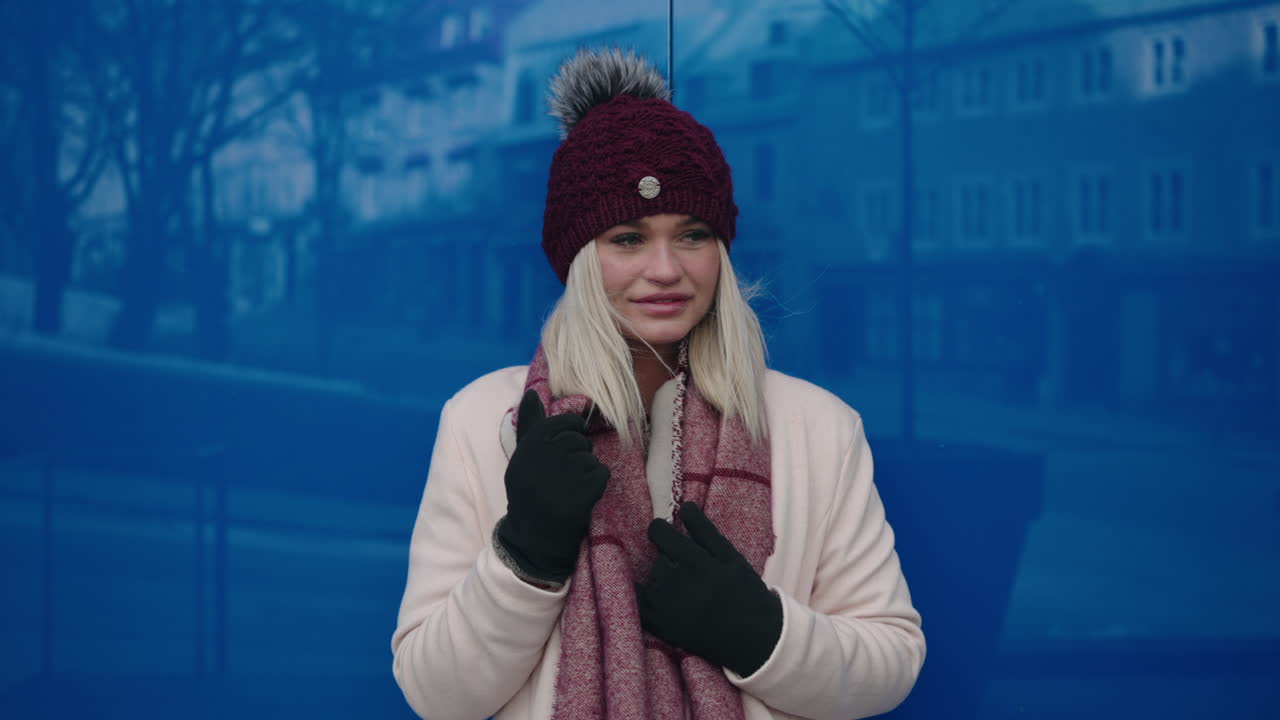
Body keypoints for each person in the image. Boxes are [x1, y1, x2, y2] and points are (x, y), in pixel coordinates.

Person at [391, 48, 925, 720]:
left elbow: (892, 660)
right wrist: (525, 554)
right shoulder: (483, 420)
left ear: (722, 252)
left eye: (693, 234)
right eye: (628, 238)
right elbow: (435, 694)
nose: (666, 268)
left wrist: (761, 632)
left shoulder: (818, 427)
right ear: (580, 257)